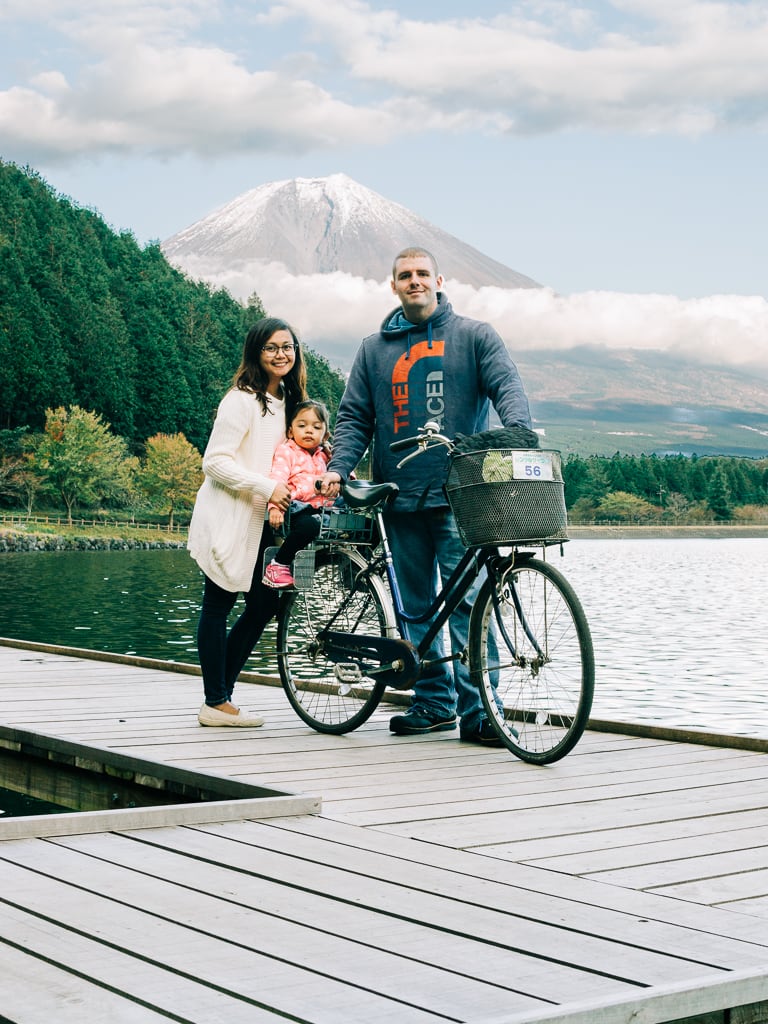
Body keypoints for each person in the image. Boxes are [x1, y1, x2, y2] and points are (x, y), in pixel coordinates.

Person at [320, 246, 533, 745]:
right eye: (403, 275)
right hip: (398, 498)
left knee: (469, 606)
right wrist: (337, 469)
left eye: (421, 274)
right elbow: (354, 418)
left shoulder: (474, 336)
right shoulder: (373, 349)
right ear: (392, 285)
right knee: (416, 607)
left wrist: (519, 431)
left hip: (461, 493)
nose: (413, 281)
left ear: (439, 280)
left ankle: (481, 712)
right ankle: (434, 704)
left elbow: (506, 385)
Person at [187, 317, 306, 727]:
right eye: (271, 347)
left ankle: (220, 696)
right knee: (218, 603)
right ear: (256, 352)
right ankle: (216, 701)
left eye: (287, 347)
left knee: (263, 604)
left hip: (264, 524)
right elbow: (215, 461)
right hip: (230, 517)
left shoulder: (289, 403)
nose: (280, 354)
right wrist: (267, 486)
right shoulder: (241, 400)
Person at [262, 399, 333, 589]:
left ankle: (357, 570)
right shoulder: (287, 451)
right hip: (295, 508)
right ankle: (278, 564)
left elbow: (346, 478)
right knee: (309, 526)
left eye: (316, 427)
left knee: (370, 527)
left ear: (325, 435)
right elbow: (278, 478)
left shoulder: (324, 455)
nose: (309, 430)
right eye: (302, 426)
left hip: (323, 510)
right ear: (290, 431)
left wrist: (334, 459)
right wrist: (275, 507)